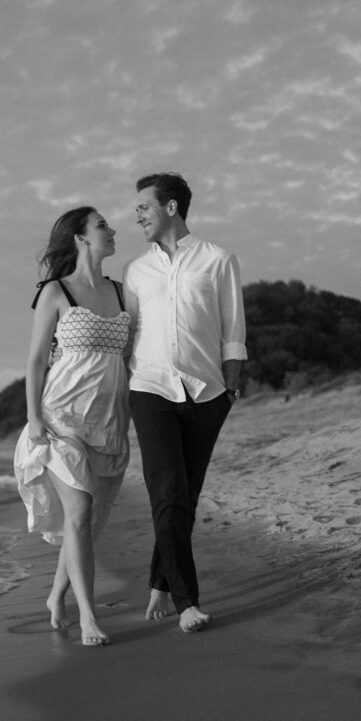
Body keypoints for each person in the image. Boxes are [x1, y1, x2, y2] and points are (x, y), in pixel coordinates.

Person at [123, 172, 247, 633]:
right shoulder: (136, 271)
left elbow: (233, 330)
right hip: (149, 389)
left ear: (171, 207)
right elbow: (128, 334)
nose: (136, 215)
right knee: (168, 492)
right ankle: (186, 602)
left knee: (185, 500)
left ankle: (159, 578)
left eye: (144, 206)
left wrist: (229, 391)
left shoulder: (218, 260)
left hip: (207, 393)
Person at [14, 206, 130, 647]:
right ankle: (88, 617)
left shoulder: (122, 293)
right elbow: (35, 361)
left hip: (109, 424)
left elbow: (131, 356)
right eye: (102, 226)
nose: (112, 230)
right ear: (81, 238)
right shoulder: (56, 292)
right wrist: (34, 418)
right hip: (61, 420)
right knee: (78, 516)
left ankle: (56, 595)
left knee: (88, 524)